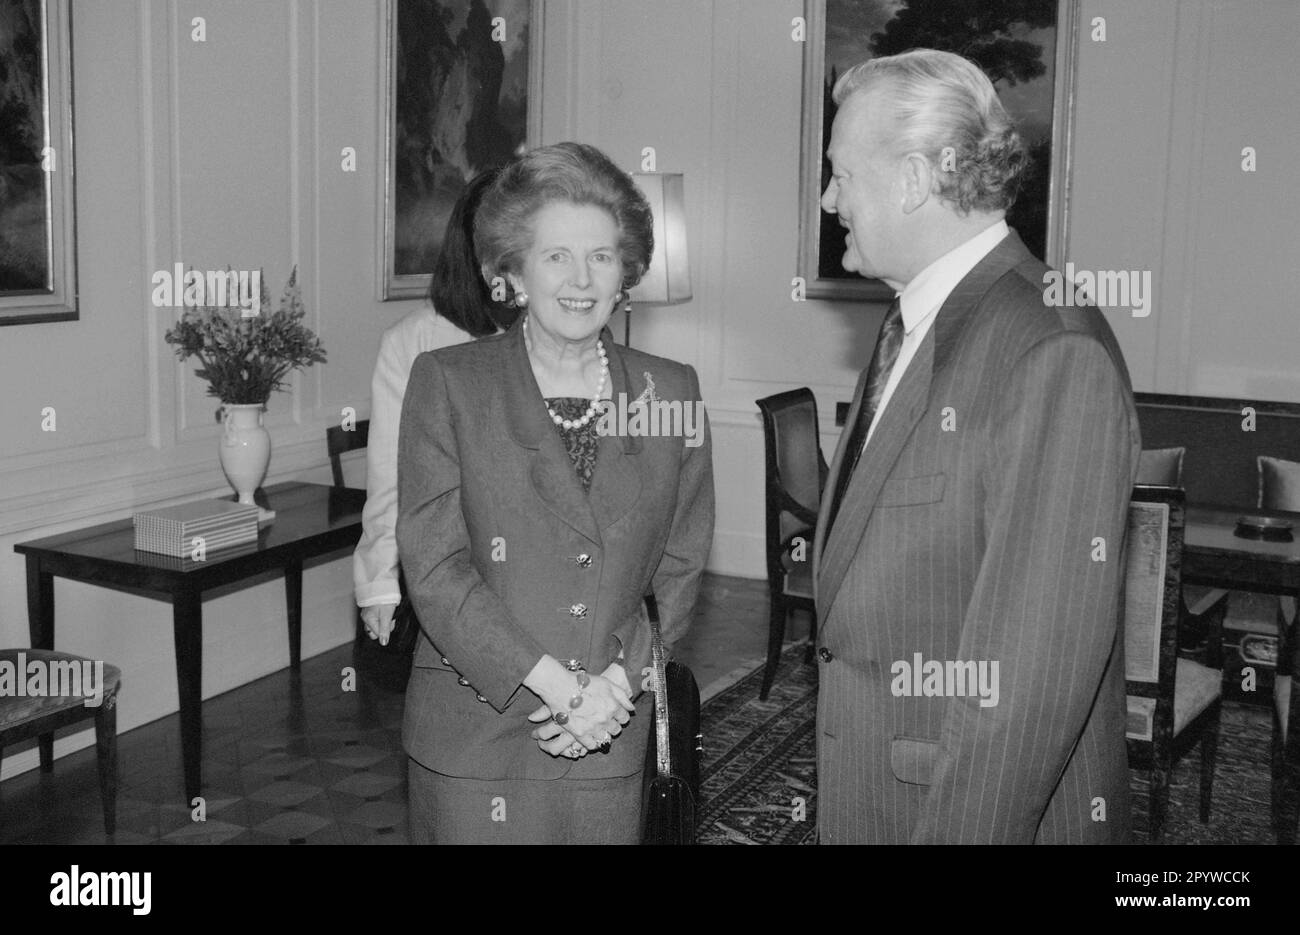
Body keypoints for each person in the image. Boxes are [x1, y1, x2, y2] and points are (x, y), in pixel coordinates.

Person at [811, 49, 1140, 844]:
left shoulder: (1048, 345)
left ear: (916, 179)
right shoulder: (912, 323)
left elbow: (1027, 683)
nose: (829, 200)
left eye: (842, 175)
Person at [396, 141, 715, 844]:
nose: (581, 279)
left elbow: (682, 564)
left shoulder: (673, 390)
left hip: (610, 732)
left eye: (601, 256)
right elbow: (434, 566)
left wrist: (615, 687)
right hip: (476, 739)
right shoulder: (448, 383)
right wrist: (562, 687)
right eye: (556, 256)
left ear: (625, 269)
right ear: (510, 270)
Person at [353, 168, 514, 646]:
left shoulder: (563, 335)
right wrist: (380, 580)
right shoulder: (414, 341)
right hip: (454, 567)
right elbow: (391, 470)